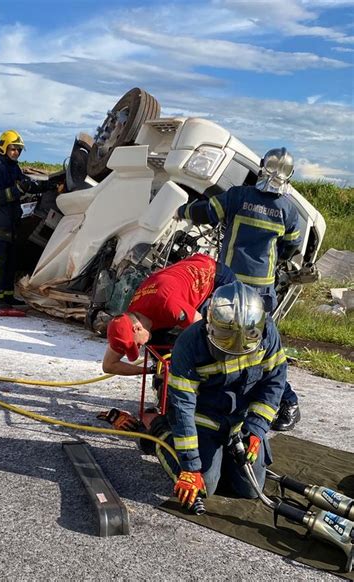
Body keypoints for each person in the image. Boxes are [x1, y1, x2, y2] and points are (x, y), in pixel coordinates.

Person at [176, 148, 302, 432]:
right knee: (259, 346)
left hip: (229, 288)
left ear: (260, 168)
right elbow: (290, 248)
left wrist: (180, 210)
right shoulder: (289, 210)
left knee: (218, 339)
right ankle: (283, 402)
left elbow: (206, 212)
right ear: (289, 176)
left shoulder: (238, 196)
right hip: (262, 292)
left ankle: (279, 398)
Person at [150, 281, 287, 507]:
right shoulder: (189, 344)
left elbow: (274, 382)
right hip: (204, 420)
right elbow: (183, 408)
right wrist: (189, 467)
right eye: (226, 340)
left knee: (250, 490)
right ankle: (162, 434)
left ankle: (224, 454)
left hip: (240, 423)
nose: (233, 348)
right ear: (210, 323)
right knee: (204, 486)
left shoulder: (267, 334)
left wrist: (256, 429)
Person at [102, 253, 235, 376]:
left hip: (213, 275)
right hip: (177, 288)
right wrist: (151, 370)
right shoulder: (127, 321)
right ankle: (167, 376)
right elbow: (109, 365)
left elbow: (205, 328)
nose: (138, 347)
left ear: (137, 328)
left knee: (223, 330)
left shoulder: (168, 305)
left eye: (136, 345)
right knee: (154, 343)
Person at [0, 130, 43, 309]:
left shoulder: (13, 168)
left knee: (9, 262)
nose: (16, 152)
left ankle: (7, 295)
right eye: (13, 149)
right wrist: (19, 190)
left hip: (9, 225)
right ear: (4, 147)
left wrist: (47, 186)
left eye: (19, 150)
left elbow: (25, 184)